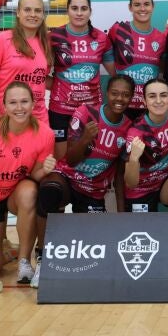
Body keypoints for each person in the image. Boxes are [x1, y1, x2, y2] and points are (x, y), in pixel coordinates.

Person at [32, 75, 135, 288]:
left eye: (125, 95)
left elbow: (118, 175)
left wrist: (123, 215)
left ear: (132, 98)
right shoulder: (86, 112)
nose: (119, 99)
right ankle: (43, 257)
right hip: (68, 178)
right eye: (115, 93)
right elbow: (70, 159)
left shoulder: (128, 128)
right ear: (106, 93)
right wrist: (86, 138)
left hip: (93, 191)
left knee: (92, 251)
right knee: (49, 190)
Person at [0, 81, 55, 282]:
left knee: (29, 191)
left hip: (14, 195)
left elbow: (34, 176)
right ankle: (4, 252)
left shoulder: (45, 134)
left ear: (33, 104)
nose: (19, 107)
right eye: (13, 102)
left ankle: (24, 261)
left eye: (24, 101)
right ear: (4, 106)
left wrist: (45, 170)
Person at [49, 0, 115, 159]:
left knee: (88, 157)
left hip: (91, 110)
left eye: (84, 8)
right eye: (74, 8)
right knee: (62, 160)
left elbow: (115, 73)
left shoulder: (101, 38)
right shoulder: (54, 37)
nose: (79, 13)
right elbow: (39, 73)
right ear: (67, 10)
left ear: (90, 11)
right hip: (61, 109)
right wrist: (58, 85)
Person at [123, 78, 168, 213]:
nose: (158, 101)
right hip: (140, 189)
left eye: (163, 95)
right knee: (144, 227)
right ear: (144, 101)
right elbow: (130, 183)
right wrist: (133, 159)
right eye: (152, 96)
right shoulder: (135, 133)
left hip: (166, 179)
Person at [0, 0, 52, 125]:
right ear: (18, 12)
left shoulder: (47, 43)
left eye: (38, 11)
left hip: (38, 118)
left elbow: (41, 78)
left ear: (43, 15)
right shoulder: (0, 40)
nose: (33, 14)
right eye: (27, 10)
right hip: (5, 118)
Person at [109, 0, 167, 120]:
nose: (142, 9)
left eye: (146, 4)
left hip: (149, 105)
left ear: (153, 6)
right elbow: (104, 53)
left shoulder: (161, 38)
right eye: (137, 5)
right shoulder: (118, 30)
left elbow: (163, 68)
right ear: (130, 7)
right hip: (122, 103)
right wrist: (117, 76)